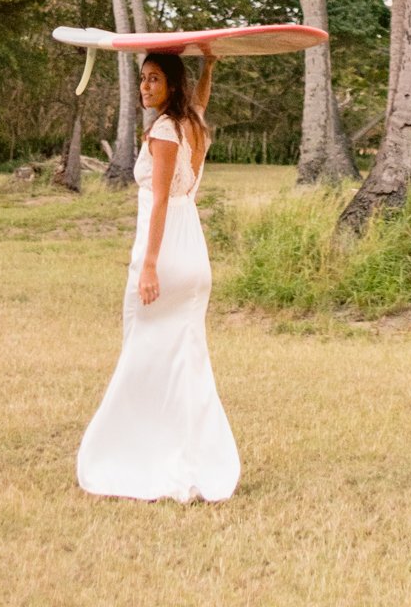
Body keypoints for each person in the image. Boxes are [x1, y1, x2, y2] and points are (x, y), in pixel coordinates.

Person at [76, 47, 240, 503]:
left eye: (153, 79)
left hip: (166, 253)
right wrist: (209, 66)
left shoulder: (166, 132)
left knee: (144, 352)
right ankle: (192, 451)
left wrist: (148, 265)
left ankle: (139, 453)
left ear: (171, 85)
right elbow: (202, 101)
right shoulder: (193, 124)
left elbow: (161, 200)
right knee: (184, 359)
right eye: (143, 78)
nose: (145, 87)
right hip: (193, 252)